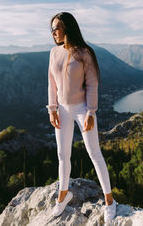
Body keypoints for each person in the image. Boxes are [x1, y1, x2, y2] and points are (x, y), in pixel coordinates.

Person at [46, 12, 117, 222]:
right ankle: (63, 194)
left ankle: (110, 200)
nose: (53, 33)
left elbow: (93, 83)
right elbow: (51, 82)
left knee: (94, 153)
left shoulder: (85, 53)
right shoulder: (53, 53)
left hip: (82, 108)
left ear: (67, 28)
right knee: (62, 154)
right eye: (51, 29)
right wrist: (52, 109)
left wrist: (91, 112)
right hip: (62, 109)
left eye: (56, 28)